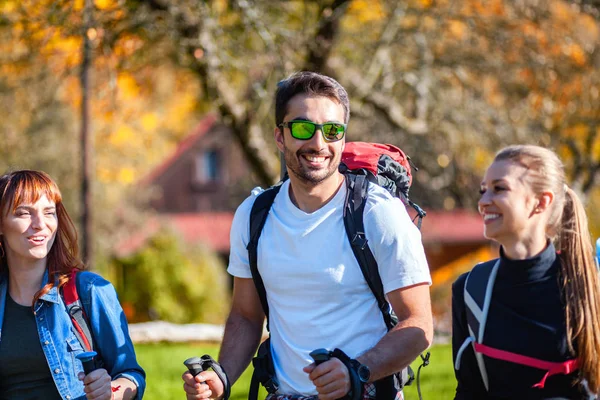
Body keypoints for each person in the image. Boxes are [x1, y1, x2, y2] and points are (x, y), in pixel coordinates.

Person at [182, 71, 433, 400]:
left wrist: (356, 370)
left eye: (332, 130)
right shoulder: (254, 215)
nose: (318, 143)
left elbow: (419, 324)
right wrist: (223, 377)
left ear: (342, 139)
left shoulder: (377, 213)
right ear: (279, 137)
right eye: (303, 128)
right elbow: (246, 315)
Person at [452, 145, 600, 399]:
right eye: (483, 190)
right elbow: (469, 390)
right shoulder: (470, 290)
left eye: (499, 188)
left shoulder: (589, 285)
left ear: (541, 202)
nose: (483, 201)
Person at [0, 170, 146, 400]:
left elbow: (132, 375)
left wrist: (111, 392)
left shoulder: (89, 290)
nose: (40, 224)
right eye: (24, 213)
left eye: (49, 212)